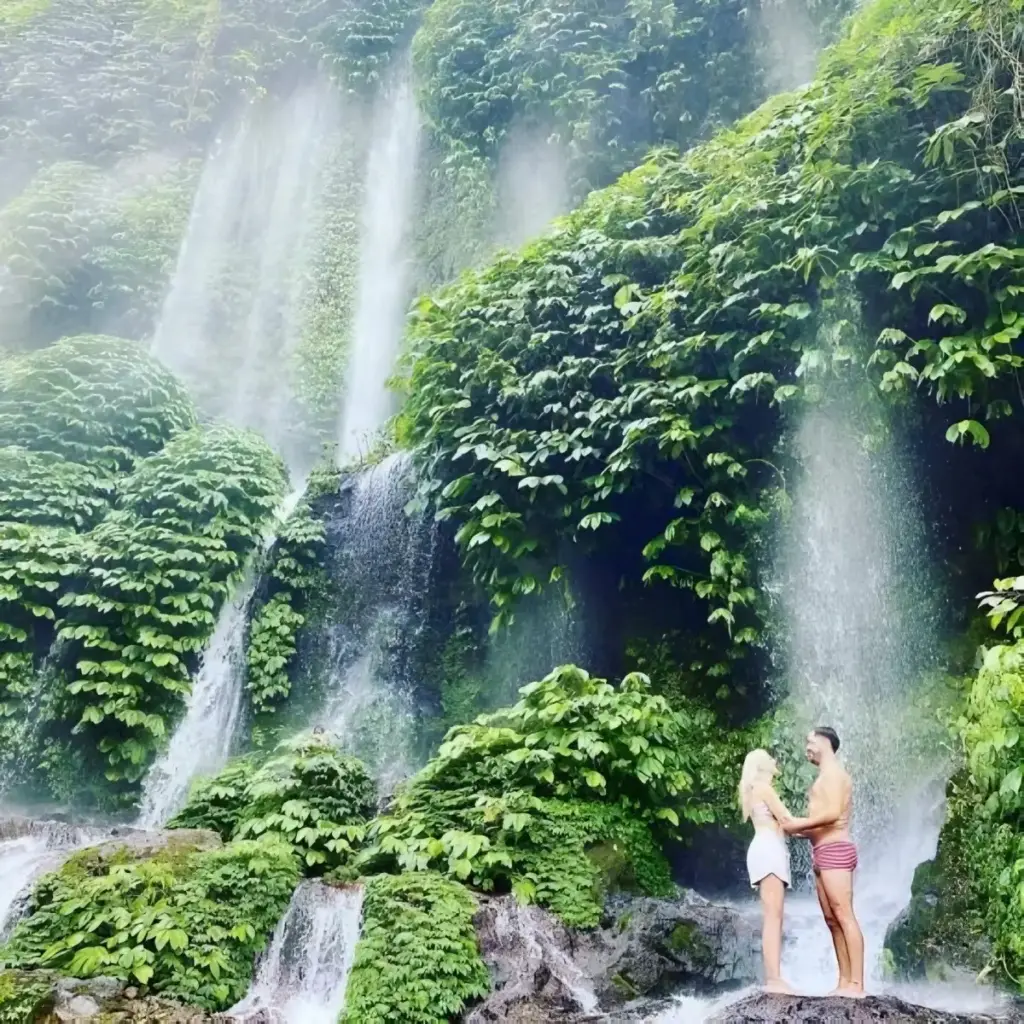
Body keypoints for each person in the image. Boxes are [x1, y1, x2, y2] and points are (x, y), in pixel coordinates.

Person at [782, 726, 866, 999]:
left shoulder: (835, 774)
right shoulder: (824, 776)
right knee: (832, 919)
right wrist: (793, 829)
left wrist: (798, 824)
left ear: (823, 741)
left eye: (809, 740)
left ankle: (857, 984)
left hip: (836, 850)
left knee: (844, 914)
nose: (806, 746)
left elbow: (831, 814)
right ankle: (843, 980)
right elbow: (818, 823)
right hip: (821, 851)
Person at [739, 748, 795, 994]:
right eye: (771, 760)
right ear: (763, 766)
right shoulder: (763, 789)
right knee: (774, 917)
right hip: (769, 849)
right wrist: (825, 825)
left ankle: (774, 977)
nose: (776, 762)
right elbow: (787, 819)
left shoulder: (751, 791)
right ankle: (774, 979)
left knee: (772, 916)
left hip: (764, 848)